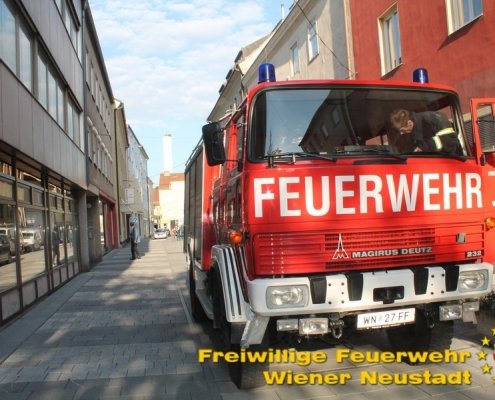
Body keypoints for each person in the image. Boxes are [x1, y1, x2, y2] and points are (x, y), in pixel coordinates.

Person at [389, 109, 463, 155]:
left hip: (453, 163)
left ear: (409, 123)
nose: (401, 133)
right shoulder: (412, 132)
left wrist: (423, 147)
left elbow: (449, 141)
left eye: (402, 130)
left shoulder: (433, 119)